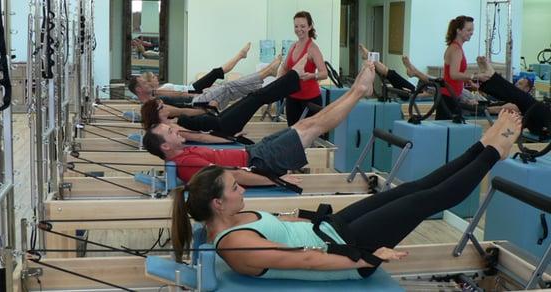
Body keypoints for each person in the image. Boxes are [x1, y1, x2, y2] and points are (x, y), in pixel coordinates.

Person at [169, 109, 522, 281]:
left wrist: (306, 215)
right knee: (427, 201)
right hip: (346, 248)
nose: (240, 187)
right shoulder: (235, 244)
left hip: (332, 227)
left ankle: (483, 145)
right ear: (217, 203)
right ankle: (494, 153)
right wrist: (364, 257)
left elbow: (282, 224)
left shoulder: (226, 219)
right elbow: (304, 260)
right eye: (234, 187)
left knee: (413, 188)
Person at [143, 59, 373, 184]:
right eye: (170, 133)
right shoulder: (186, 164)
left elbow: (203, 139)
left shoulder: (182, 153)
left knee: (307, 124)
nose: (175, 131)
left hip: (253, 151)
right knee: (313, 126)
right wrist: (275, 180)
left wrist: (232, 139)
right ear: (165, 146)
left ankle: (356, 90)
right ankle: (358, 91)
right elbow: (232, 176)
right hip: (261, 161)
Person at [130, 54, 282, 119]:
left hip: (198, 100)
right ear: (139, 90)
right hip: (198, 107)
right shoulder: (151, 105)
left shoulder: (156, 95)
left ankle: (266, 74)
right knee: (227, 87)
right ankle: (266, 73)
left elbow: (183, 95)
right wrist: (205, 109)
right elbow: (180, 111)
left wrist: (200, 95)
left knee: (229, 88)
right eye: (144, 83)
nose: (149, 83)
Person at [128, 42, 253, 103]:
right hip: (194, 90)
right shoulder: (162, 90)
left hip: (193, 88)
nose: (156, 78)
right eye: (153, 77)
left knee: (217, 75)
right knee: (216, 73)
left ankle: (240, 56)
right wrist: (199, 94)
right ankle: (240, 56)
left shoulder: (161, 90)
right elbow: (182, 94)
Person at [476, 56, 550, 135]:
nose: (517, 84)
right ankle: (489, 79)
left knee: (525, 99)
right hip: (538, 122)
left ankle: (491, 77)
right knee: (521, 99)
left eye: (520, 84)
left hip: (543, 125)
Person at [278, 11, 328, 126]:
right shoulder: (293, 46)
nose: (299, 29)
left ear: (310, 27)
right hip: (292, 97)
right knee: (292, 134)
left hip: (310, 100)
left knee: (309, 138)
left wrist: (312, 76)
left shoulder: (313, 48)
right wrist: (277, 83)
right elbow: (285, 68)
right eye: (296, 26)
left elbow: (324, 73)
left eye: (303, 26)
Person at [438, 16, 490, 120]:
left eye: (472, 30)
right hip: (448, 97)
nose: (471, 33)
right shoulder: (456, 49)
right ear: (459, 31)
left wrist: (470, 82)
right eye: (469, 30)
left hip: (453, 95)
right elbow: (454, 74)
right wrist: (477, 76)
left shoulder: (456, 47)